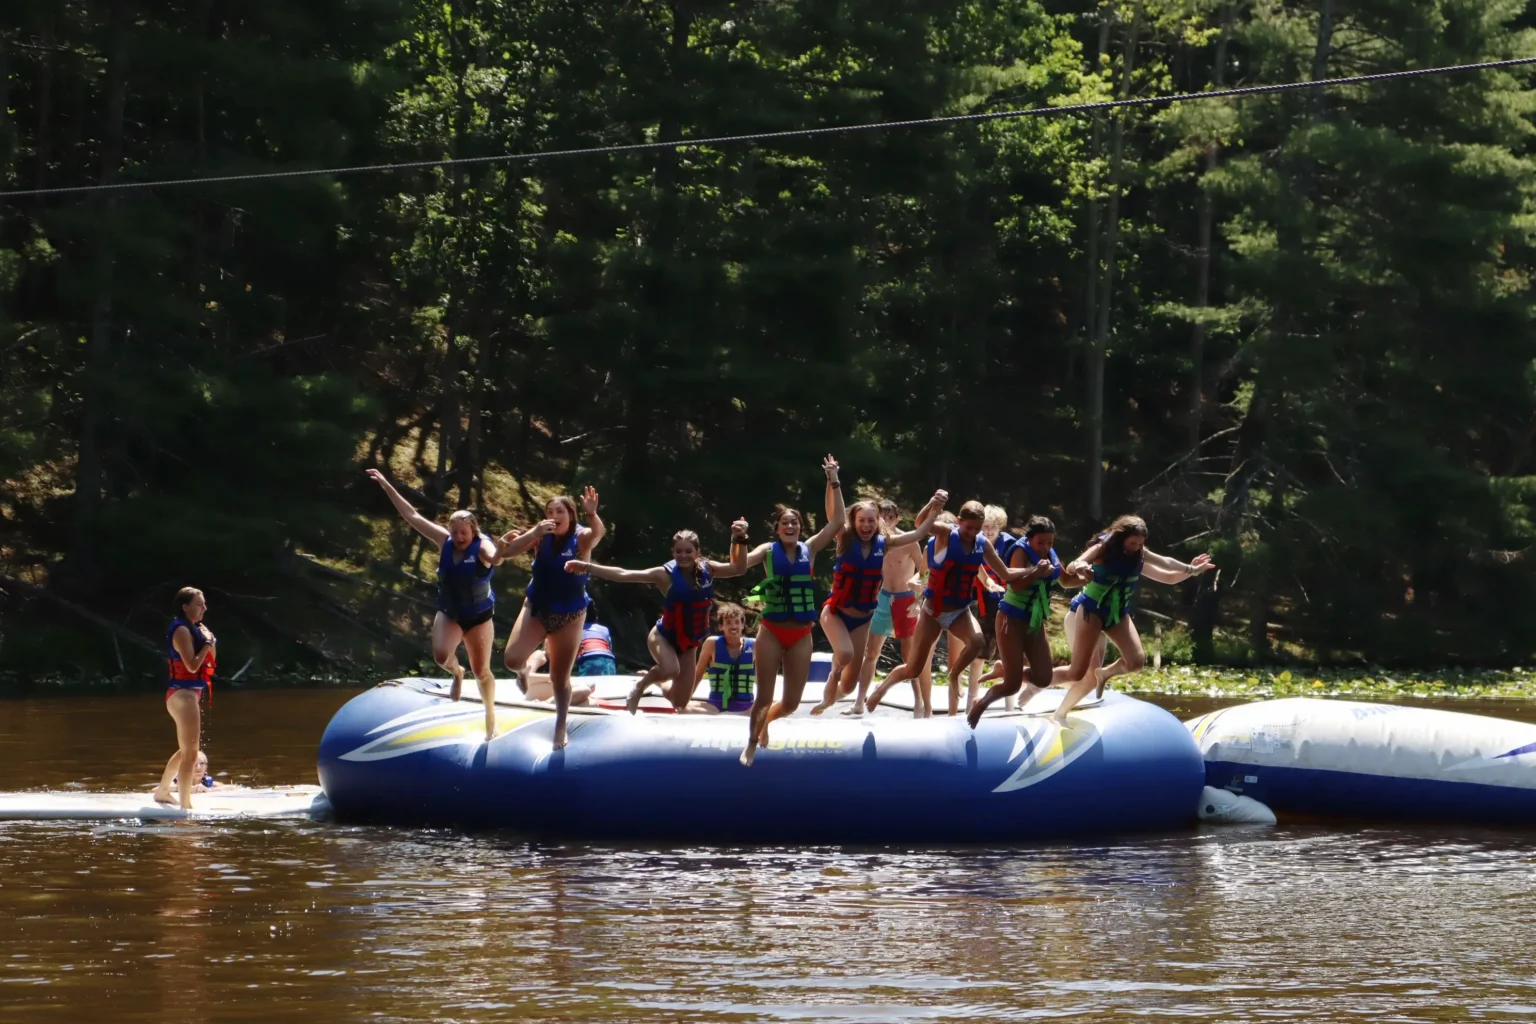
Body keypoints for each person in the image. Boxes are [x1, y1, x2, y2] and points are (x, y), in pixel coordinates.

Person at [865, 501, 1039, 717]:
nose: (972, 533)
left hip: (960, 612)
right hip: (932, 611)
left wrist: (1033, 571)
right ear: (959, 522)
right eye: (969, 528)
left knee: (977, 642)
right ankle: (881, 688)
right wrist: (933, 504)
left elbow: (1005, 574)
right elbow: (920, 524)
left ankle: (954, 676)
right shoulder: (946, 533)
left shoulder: (982, 544)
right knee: (914, 668)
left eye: (977, 528)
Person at [366, 469, 500, 739]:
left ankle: (490, 715)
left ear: (473, 531)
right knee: (440, 657)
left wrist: (505, 548)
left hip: (479, 616)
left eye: (464, 532)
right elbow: (412, 516)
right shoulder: (445, 541)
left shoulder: (483, 547)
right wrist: (386, 485)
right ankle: (456, 673)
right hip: (450, 612)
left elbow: (496, 559)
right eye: (455, 532)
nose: (459, 537)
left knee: (482, 671)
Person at [566, 520, 750, 712]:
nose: (683, 556)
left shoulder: (708, 569)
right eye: (678, 551)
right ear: (673, 553)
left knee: (679, 702)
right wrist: (587, 567)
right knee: (671, 669)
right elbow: (622, 574)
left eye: (688, 551)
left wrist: (739, 539)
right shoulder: (664, 575)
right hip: (663, 636)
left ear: (697, 552)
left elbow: (739, 568)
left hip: (688, 644)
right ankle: (640, 686)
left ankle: (659, 683)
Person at [1051, 515, 1215, 726]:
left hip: (1117, 614)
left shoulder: (1139, 555)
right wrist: (1083, 567)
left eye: (1140, 543)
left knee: (1136, 662)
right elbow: (1076, 563)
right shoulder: (1104, 548)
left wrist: (1191, 570)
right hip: (1089, 611)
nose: (1136, 547)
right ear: (1121, 538)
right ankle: (1054, 707)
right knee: (1081, 674)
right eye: (1132, 543)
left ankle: (1105, 674)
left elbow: (1167, 570)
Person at [737, 455, 846, 766]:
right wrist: (738, 540)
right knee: (764, 697)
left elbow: (838, 522)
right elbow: (738, 566)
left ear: (800, 528)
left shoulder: (808, 550)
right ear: (777, 528)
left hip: (800, 634)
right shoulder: (765, 551)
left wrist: (833, 479)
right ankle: (751, 745)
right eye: (784, 522)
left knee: (790, 703)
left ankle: (768, 723)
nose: (789, 526)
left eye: (794, 522)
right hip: (771, 631)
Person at [810, 490, 946, 716]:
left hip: (864, 616)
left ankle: (838, 687)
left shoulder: (886, 543)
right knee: (845, 655)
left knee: (850, 685)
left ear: (878, 522)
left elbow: (920, 532)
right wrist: (833, 481)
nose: (866, 525)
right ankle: (834, 671)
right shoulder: (844, 538)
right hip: (836, 611)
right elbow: (834, 516)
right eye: (861, 520)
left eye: (871, 520)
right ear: (854, 521)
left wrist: (935, 506)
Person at [499, 487, 605, 750]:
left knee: (560, 680)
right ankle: (527, 668)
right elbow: (507, 553)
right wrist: (532, 533)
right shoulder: (541, 535)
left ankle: (560, 724)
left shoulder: (581, 537)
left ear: (570, 515)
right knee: (511, 660)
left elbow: (597, 534)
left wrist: (592, 515)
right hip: (537, 607)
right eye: (550, 512)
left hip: (569, 616)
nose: (554, 516)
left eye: (560, 512)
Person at [966, 516, 1069, 726]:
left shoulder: (1050, 554)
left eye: (1050, 543)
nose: (1045, 547)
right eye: (1040, 543)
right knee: (1011, 686)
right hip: (1010, 618)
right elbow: (1016, 585)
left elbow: (1066, 580)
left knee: (1043, 678)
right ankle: (981, 703)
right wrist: (1036, 572)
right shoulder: (1019, 551)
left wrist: (1087, 575)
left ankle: (1004, 670)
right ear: (1029, 539)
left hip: (1035, 620)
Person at [854, 500, 935, 715]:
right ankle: (859, 702)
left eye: (889, 518)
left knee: (910, 656)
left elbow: (924, 571)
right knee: (871, 652)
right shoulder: (874, 542)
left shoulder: (908, 542)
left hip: (906, 598)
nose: (885, 522)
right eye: (881, 518)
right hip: (882, 598)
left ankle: (919, 702)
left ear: (897, 519)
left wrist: (919, 600)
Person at [153, 587, 216, 809]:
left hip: (191, 694)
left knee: (186, 750)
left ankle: (162, 791)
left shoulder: (197, 628)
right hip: (182, 694)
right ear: (185, 606)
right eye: (199, 604)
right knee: (191, 753)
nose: (204, 608)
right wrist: (207, 643)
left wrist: (211, 642)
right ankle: (186, 805)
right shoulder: (181, 630)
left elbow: (210, 661)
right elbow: (191, 666)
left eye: (204, 604)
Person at [690, 603, 756, 713]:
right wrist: (685, 700)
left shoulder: (754, 645)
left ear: (742, 625)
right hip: (716, 705)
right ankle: (663, 684)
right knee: (684, 708)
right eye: (728, 623)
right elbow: (698, 675)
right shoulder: (712, 644)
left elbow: (764, 679)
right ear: (721, 627)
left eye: (737, 622)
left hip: (747, 707)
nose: (733, 626)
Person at [518, 647, 596, 706]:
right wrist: (554, 677)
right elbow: (526, 677)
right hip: (533, 690)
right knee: (585, 690)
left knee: (591, 703)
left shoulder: (561, 659)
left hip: (551, 693)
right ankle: (547, 704)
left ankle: (549, 703)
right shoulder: (539, 655)